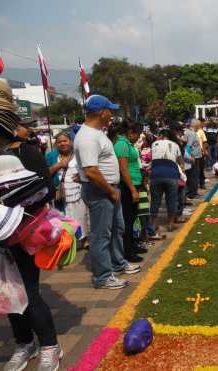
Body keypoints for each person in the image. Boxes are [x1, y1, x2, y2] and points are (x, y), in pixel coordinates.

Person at [0, 77, 62, 371]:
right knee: (6, 294)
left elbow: (47, 191)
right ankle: (25, 344)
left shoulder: (26, 151)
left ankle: (50, 345)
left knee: (29, 293)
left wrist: (13, 201)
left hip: (22, 235)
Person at [74, 95, 140, 290]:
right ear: (101, 112)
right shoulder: (87, 137)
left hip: (109, 189)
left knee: (117, 229)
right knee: (101, 234)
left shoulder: (97, 133)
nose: (111, 114)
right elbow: (91, 170)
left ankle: (118, 263)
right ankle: (103, 276)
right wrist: (110, 190)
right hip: (101, 190)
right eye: (110, 110)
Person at [46, 131, 90, 247]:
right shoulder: (51, 156)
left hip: (79, 191)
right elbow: (45, 174)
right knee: (65, 217)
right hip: (61, 194)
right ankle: (69, 241)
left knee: (82, 215)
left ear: (70, 141)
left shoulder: (78, 154)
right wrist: (58, 165)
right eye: (59, 142)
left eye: (65, 140)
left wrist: (81, 177)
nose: (62, 143)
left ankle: (84, 239)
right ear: (56, 144)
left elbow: (88, 170)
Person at [111, 120, 145, 263]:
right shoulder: (122, 145)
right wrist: (132, 189)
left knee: (132, 218)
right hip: (127, 186)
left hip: (134, 184)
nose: (139, 137)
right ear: (131, 133)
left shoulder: (126, 144)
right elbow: (123, 169)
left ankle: (132, 245)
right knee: (128, 219)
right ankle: (128, 251)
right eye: (137, 134)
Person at [150, 128, 184, 232]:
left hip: (156, 174)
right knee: (171, 200)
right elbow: (180, 162)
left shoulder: (154, 144)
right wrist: (181, 173)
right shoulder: (175, 145)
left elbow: (152, 158)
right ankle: (170, 223)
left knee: (155, 200)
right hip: (171, 175)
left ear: (161, 136)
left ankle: (154, 223)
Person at [185, 120, 203, 199]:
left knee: (192, 175)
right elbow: (188, 146)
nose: (199, 128)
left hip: (193, 157)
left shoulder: (188, 132)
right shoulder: (191, 133)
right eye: (199, 126)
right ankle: (193, 193)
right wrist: (191, 156)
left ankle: (191, 191)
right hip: (194, 158)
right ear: (196, 126)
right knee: (194, 175)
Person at [196, 120, 208, 189]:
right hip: (193, 153)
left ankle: (202, 183)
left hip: (200, 153)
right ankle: (195, 183)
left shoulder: (201, 131)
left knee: (201, 168)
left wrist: (204, 151)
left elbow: (204, 142)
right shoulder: (192, 131)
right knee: (195, 169)